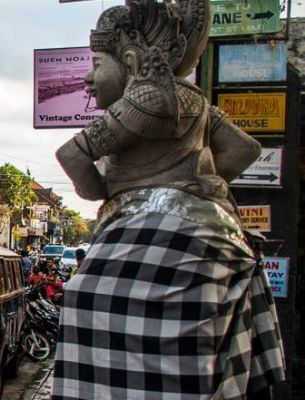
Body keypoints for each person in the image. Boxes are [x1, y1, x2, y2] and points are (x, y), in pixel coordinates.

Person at [52, 2, 284, 398]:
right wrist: (196, 181)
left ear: (128, 59)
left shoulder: (145, 101)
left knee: (84, 294)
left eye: (96, 64)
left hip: (154, 236)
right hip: (216, 237)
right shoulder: (194, 101)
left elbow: (71, 157)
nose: (89, 77)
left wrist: (114, 188)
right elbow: (243, 149)